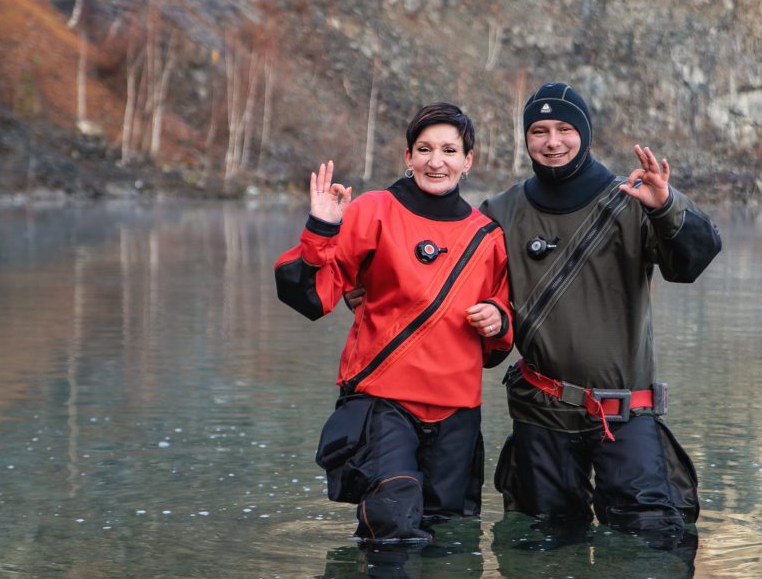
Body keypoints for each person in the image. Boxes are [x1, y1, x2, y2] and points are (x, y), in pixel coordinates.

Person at [479, 82, 721, 542]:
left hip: (625, 413)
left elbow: (693, 261)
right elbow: (461, 287)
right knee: (543, 553)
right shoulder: (501, 211)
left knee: (649, 547)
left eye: (565, 129)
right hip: (541, 413)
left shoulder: (633, 199)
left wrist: (667, 207)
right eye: (539, 131)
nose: (553, 142)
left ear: (585, 134)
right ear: (526, 138)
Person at [274, 102, 513, 544]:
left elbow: (499, 337)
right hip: (384, 403)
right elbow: (311, 295)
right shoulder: (375, 210)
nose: (435, 161)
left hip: (457, 413)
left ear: (468, 161)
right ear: (408, 157)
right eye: (424, 149)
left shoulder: (487, 235)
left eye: (448, 150)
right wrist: (320, 229)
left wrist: (499, 319)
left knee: (449, 541)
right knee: (391, 523)